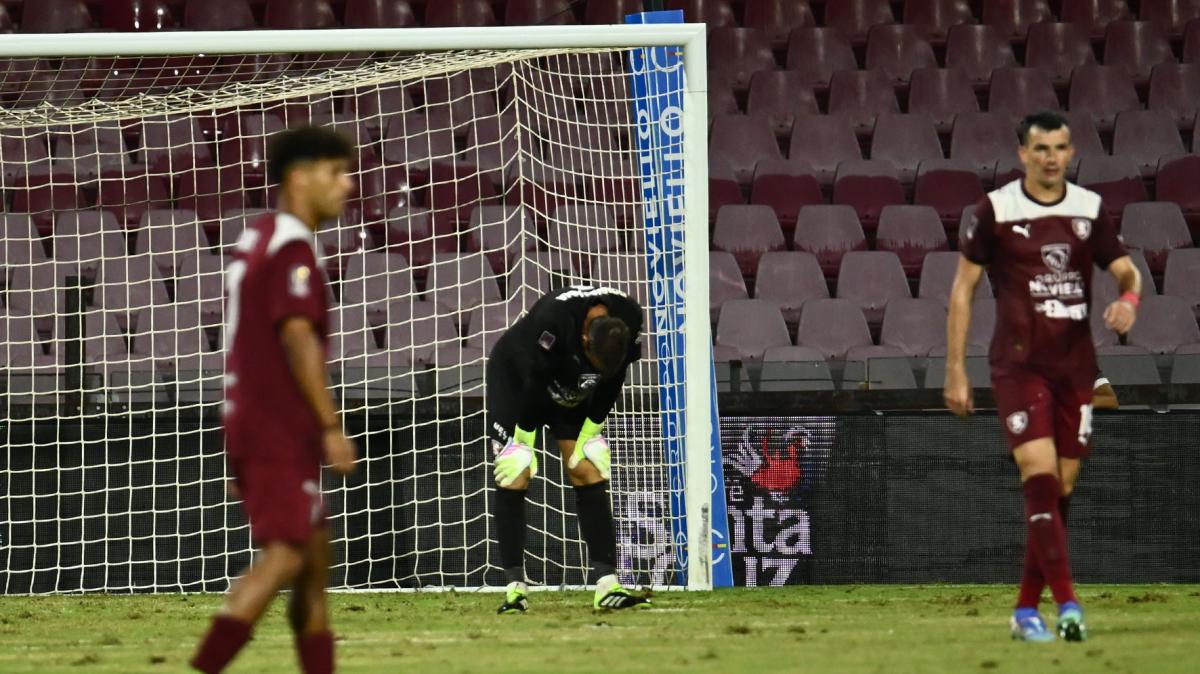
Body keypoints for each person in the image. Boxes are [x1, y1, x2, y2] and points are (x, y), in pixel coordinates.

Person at [944, 111, 1141, 643]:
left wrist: (1129, 297)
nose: (1051, 157)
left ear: (1069, 151)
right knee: (1040, 476)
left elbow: (1125, 268)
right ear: (1023, 155)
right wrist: (955, 367)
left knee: (1061, 490)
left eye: (1059, 147)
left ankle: (1027, 607)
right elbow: (963, 288)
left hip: (1074, 369)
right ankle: (1070, 605)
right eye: (1041, 148)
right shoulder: (997, 210)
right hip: (1018, 365)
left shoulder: (1089, 209)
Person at [191, 126, 358, 674]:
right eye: (335, 172)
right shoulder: (290, 247)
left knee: (312, 566)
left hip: (253, 418)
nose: (348, 185)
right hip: (277, 426)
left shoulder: (257, 236)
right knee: (286, 555)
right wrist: (330, 425)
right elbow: (295, 335)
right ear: (298, 176)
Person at [486, 284, 650, 613]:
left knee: (585, 468)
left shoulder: (628, 318)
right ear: (585, 339)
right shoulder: (554, 322)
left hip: (573, 381)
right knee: (514, 472)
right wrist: (522, 442)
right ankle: (515, 589)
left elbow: (613, 378)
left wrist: (592, 432)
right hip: (518, 377)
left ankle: (607, 585)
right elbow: (534, 382)